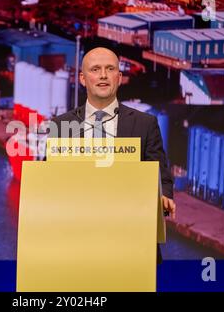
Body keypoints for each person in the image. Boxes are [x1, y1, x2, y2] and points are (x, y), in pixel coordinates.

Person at [48, 47, 176, 262]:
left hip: (132, 249)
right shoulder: (61, 126)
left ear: (120, 77)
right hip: (77, 249)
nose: (103, 76)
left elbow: (161, 177)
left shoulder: (145, 124)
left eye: (110, 69)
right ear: (82, 78)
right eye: (95, 69)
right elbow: (50, 181)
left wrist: (163, 198)